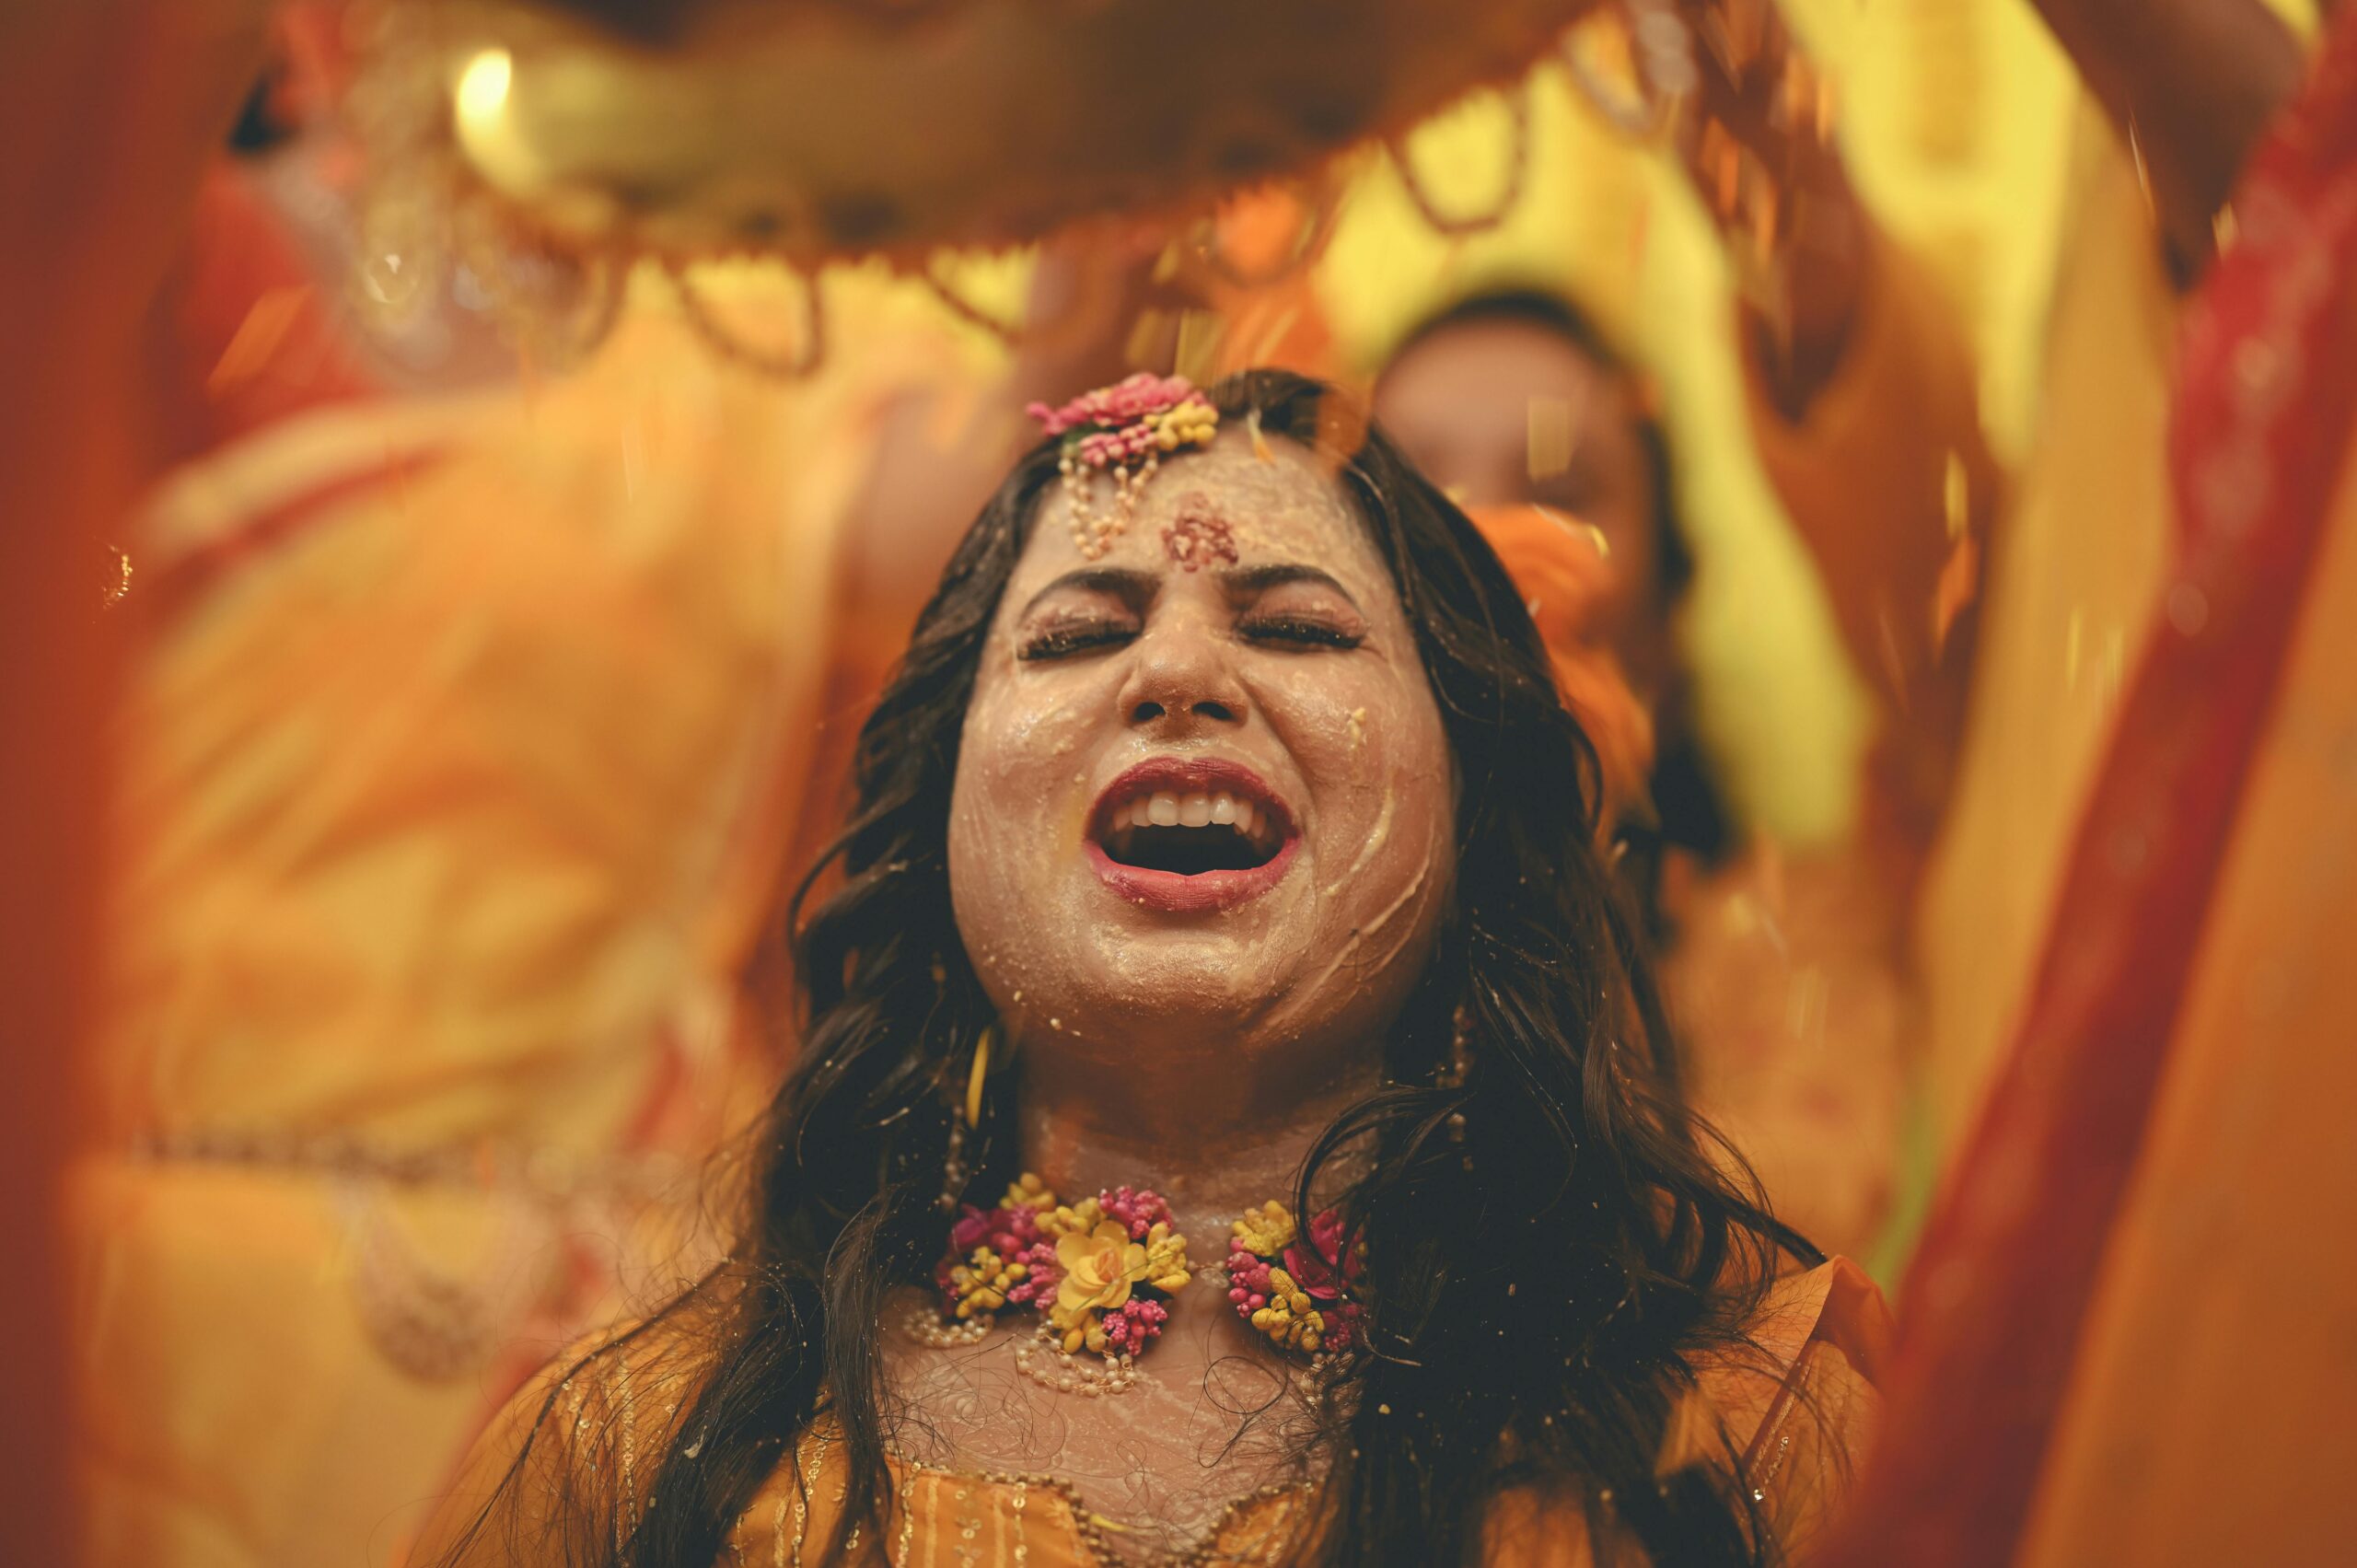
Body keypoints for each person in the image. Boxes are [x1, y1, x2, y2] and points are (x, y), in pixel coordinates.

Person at [412, 369, 1887, 1568]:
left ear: (1470, 810)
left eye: (1301, 627)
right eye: (1073, 638)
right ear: (936, 823)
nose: (1176, 675)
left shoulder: (1733, 1438)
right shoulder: (649, 1445)